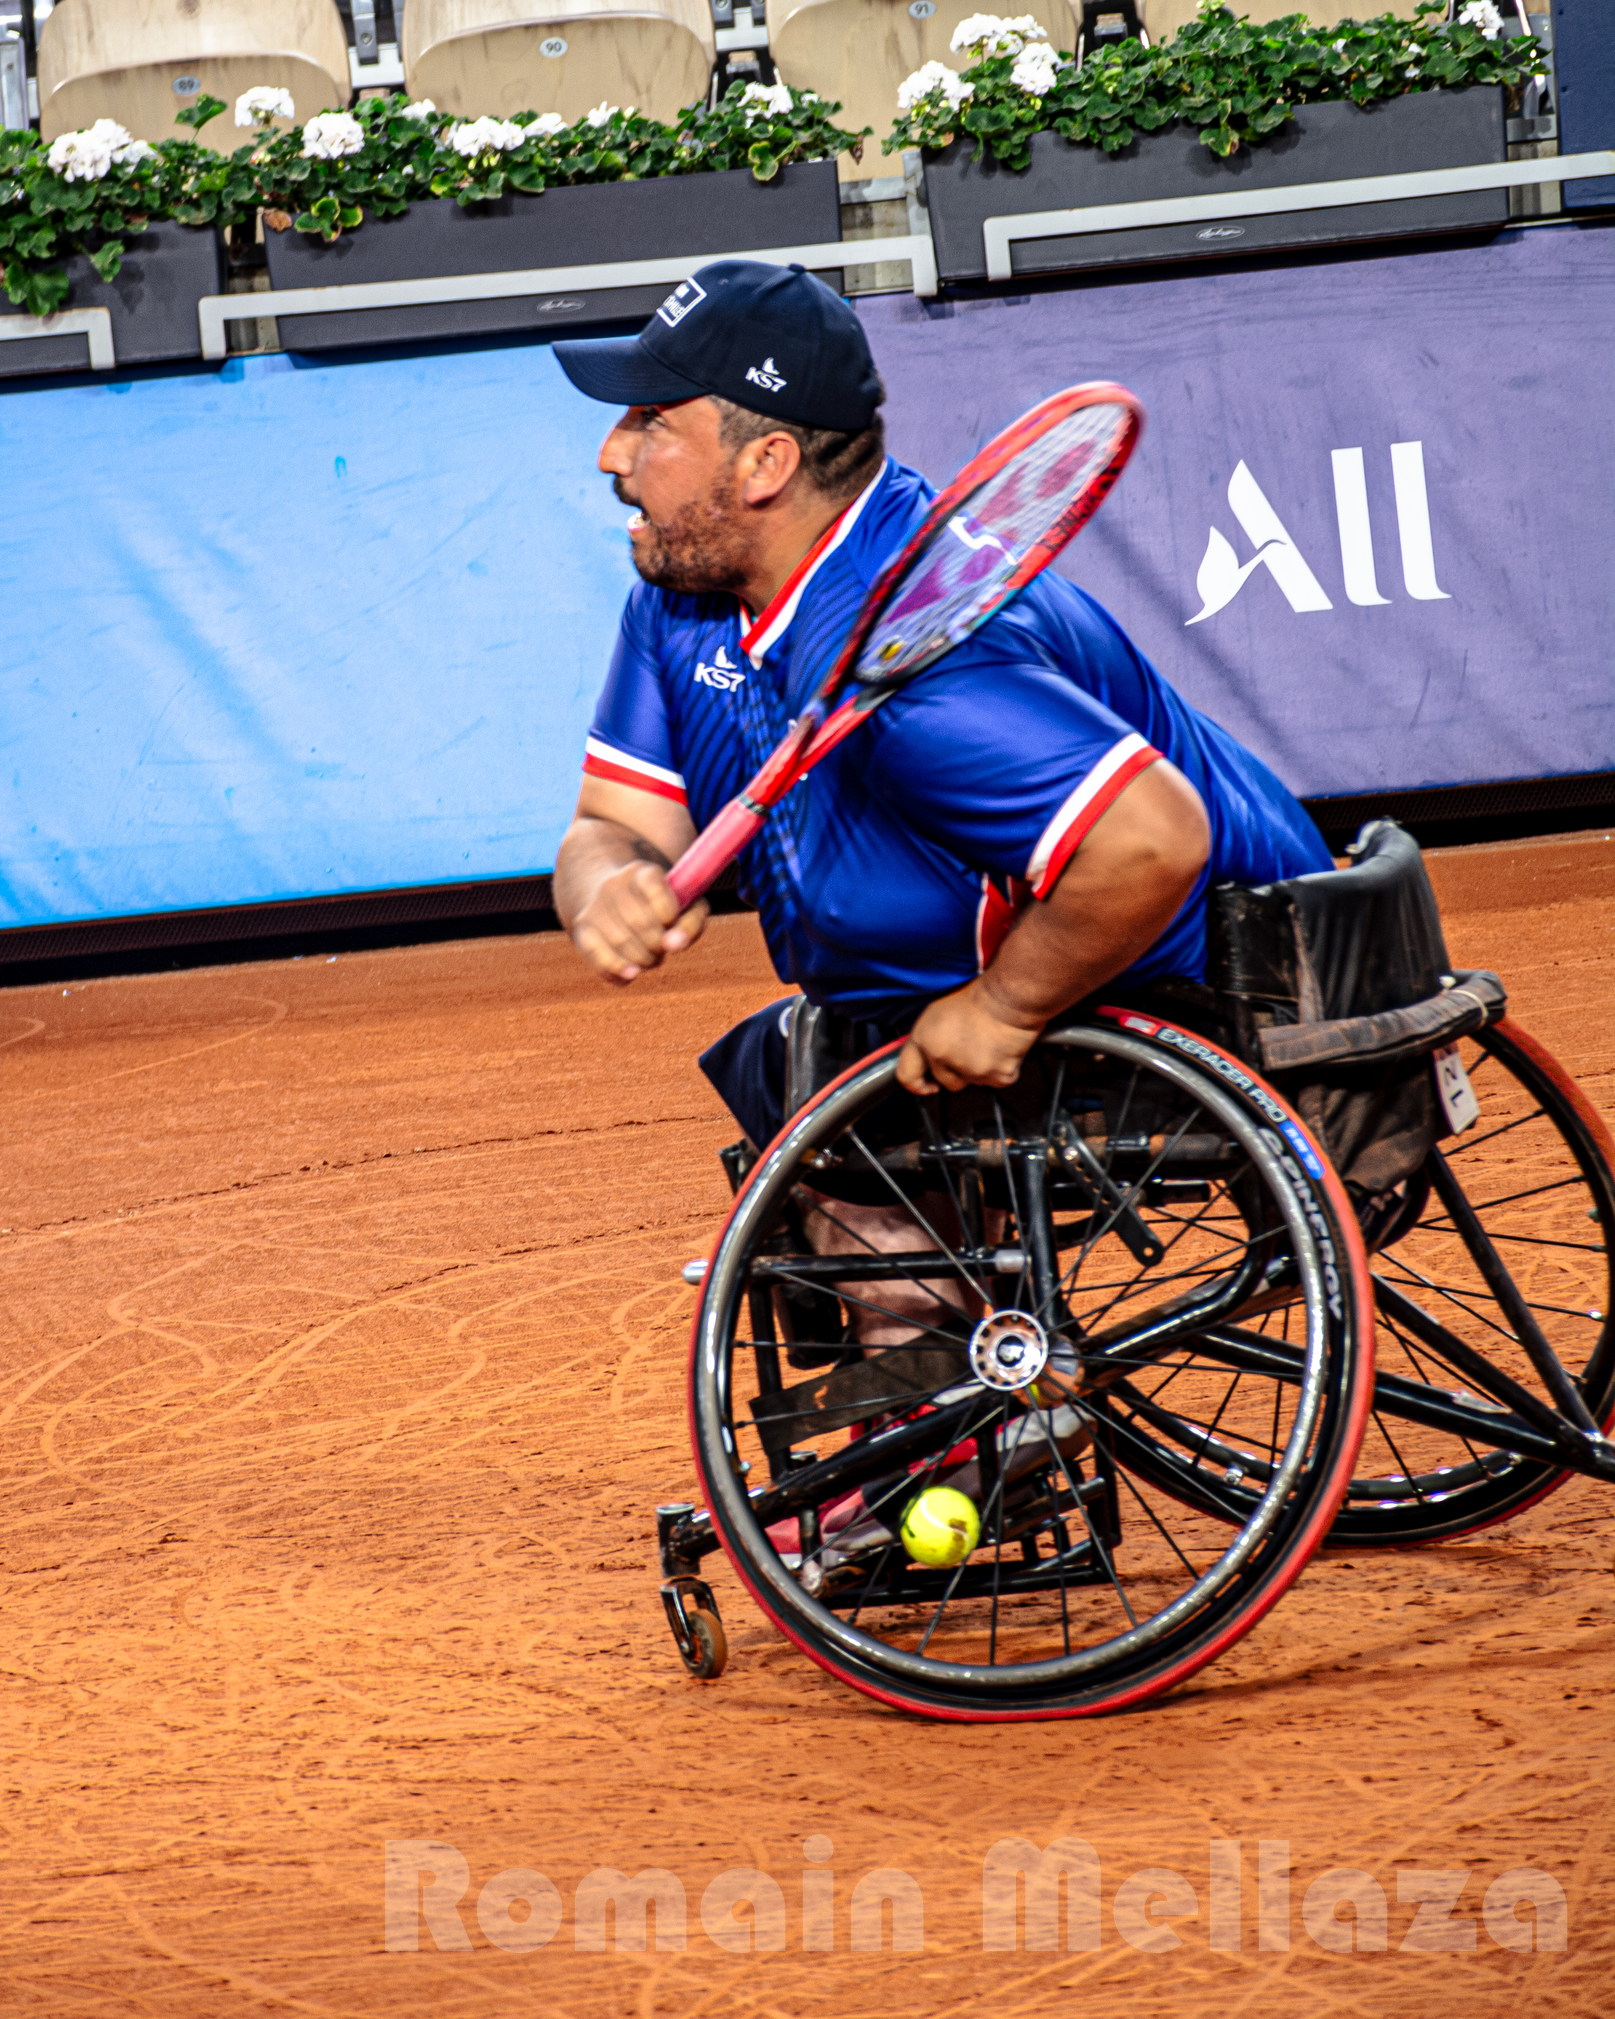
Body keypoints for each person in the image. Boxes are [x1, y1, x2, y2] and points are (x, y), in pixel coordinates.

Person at [550, 259, 1331, 1156]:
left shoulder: (924, 656)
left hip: (1201, 992)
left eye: (651, 421)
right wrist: (607, 883)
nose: (612, 451)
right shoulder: (682, 595)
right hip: (903, 1006)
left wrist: (1003, 1007)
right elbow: (612, 822)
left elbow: (1150, 838)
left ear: (766, 463)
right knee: (802, 1080)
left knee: (837, 1130)